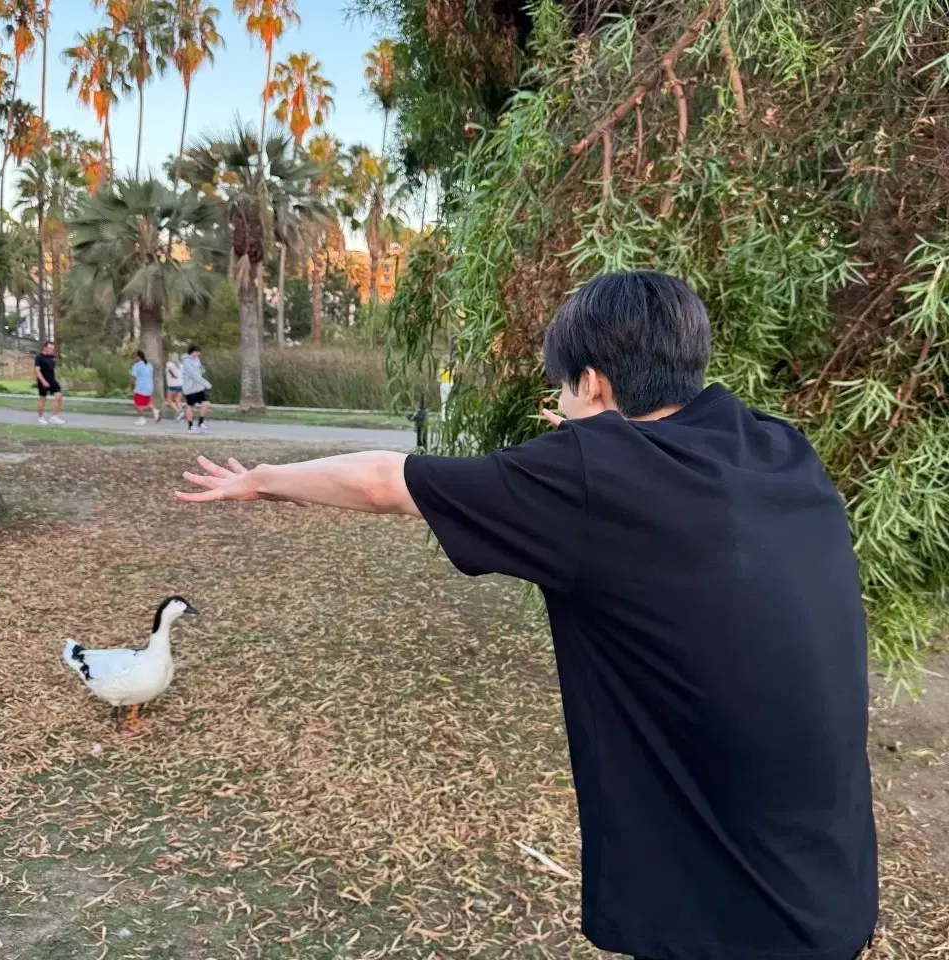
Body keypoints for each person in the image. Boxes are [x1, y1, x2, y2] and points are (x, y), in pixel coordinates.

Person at [176, 271, 878, 960]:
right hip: (828, 885)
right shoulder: (781, 448)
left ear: (594, 382)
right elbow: (650, 482)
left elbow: (383, 481)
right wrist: (592, 447)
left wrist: (259, 481)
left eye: (565, 387)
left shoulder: (589, 476)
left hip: (732, 916)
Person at [181, 344, 211, 433]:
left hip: (198, 388)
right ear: (192, 352)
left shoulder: (196, 359)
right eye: (196, 352)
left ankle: (200, 423)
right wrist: (206, 384)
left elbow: (198, 371)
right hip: (189, 388)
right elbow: (194, 376)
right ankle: (191, 427)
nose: (198, 354)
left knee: (206, 404)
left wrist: (202, 369)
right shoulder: (187, 362)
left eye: (199, 352)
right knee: (190, 406)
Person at [34, 340, 65, 425]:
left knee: (58, 396)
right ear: (45, 348)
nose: (51, 350)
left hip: (52, 380)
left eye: (53, 349)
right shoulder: (39, 357)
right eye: (50, 348)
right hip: (42, 381)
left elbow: (53, 369)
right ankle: (41, 417)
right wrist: (43, 381)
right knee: (43, 399)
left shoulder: (52, 357)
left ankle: (54, 417)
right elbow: (37, 371)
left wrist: (58, 378)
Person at [129, 350, 161, 425]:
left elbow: (133, 377)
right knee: (147, 402)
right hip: (149, 387)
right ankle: (155, 410)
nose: (134, 359)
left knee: (137, 404)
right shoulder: (149, 365)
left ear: (138, 357)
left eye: (135, 357)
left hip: (140, 388)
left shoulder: (136, 365)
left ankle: (142, 419)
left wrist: (131, 387)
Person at [165, 352, 185, 421]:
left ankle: (178, 411)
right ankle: (181, 412)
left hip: (172, 385)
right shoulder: (181, 365)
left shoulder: (169, 364)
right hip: (180, 385)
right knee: (178, 401)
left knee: (169, 400)